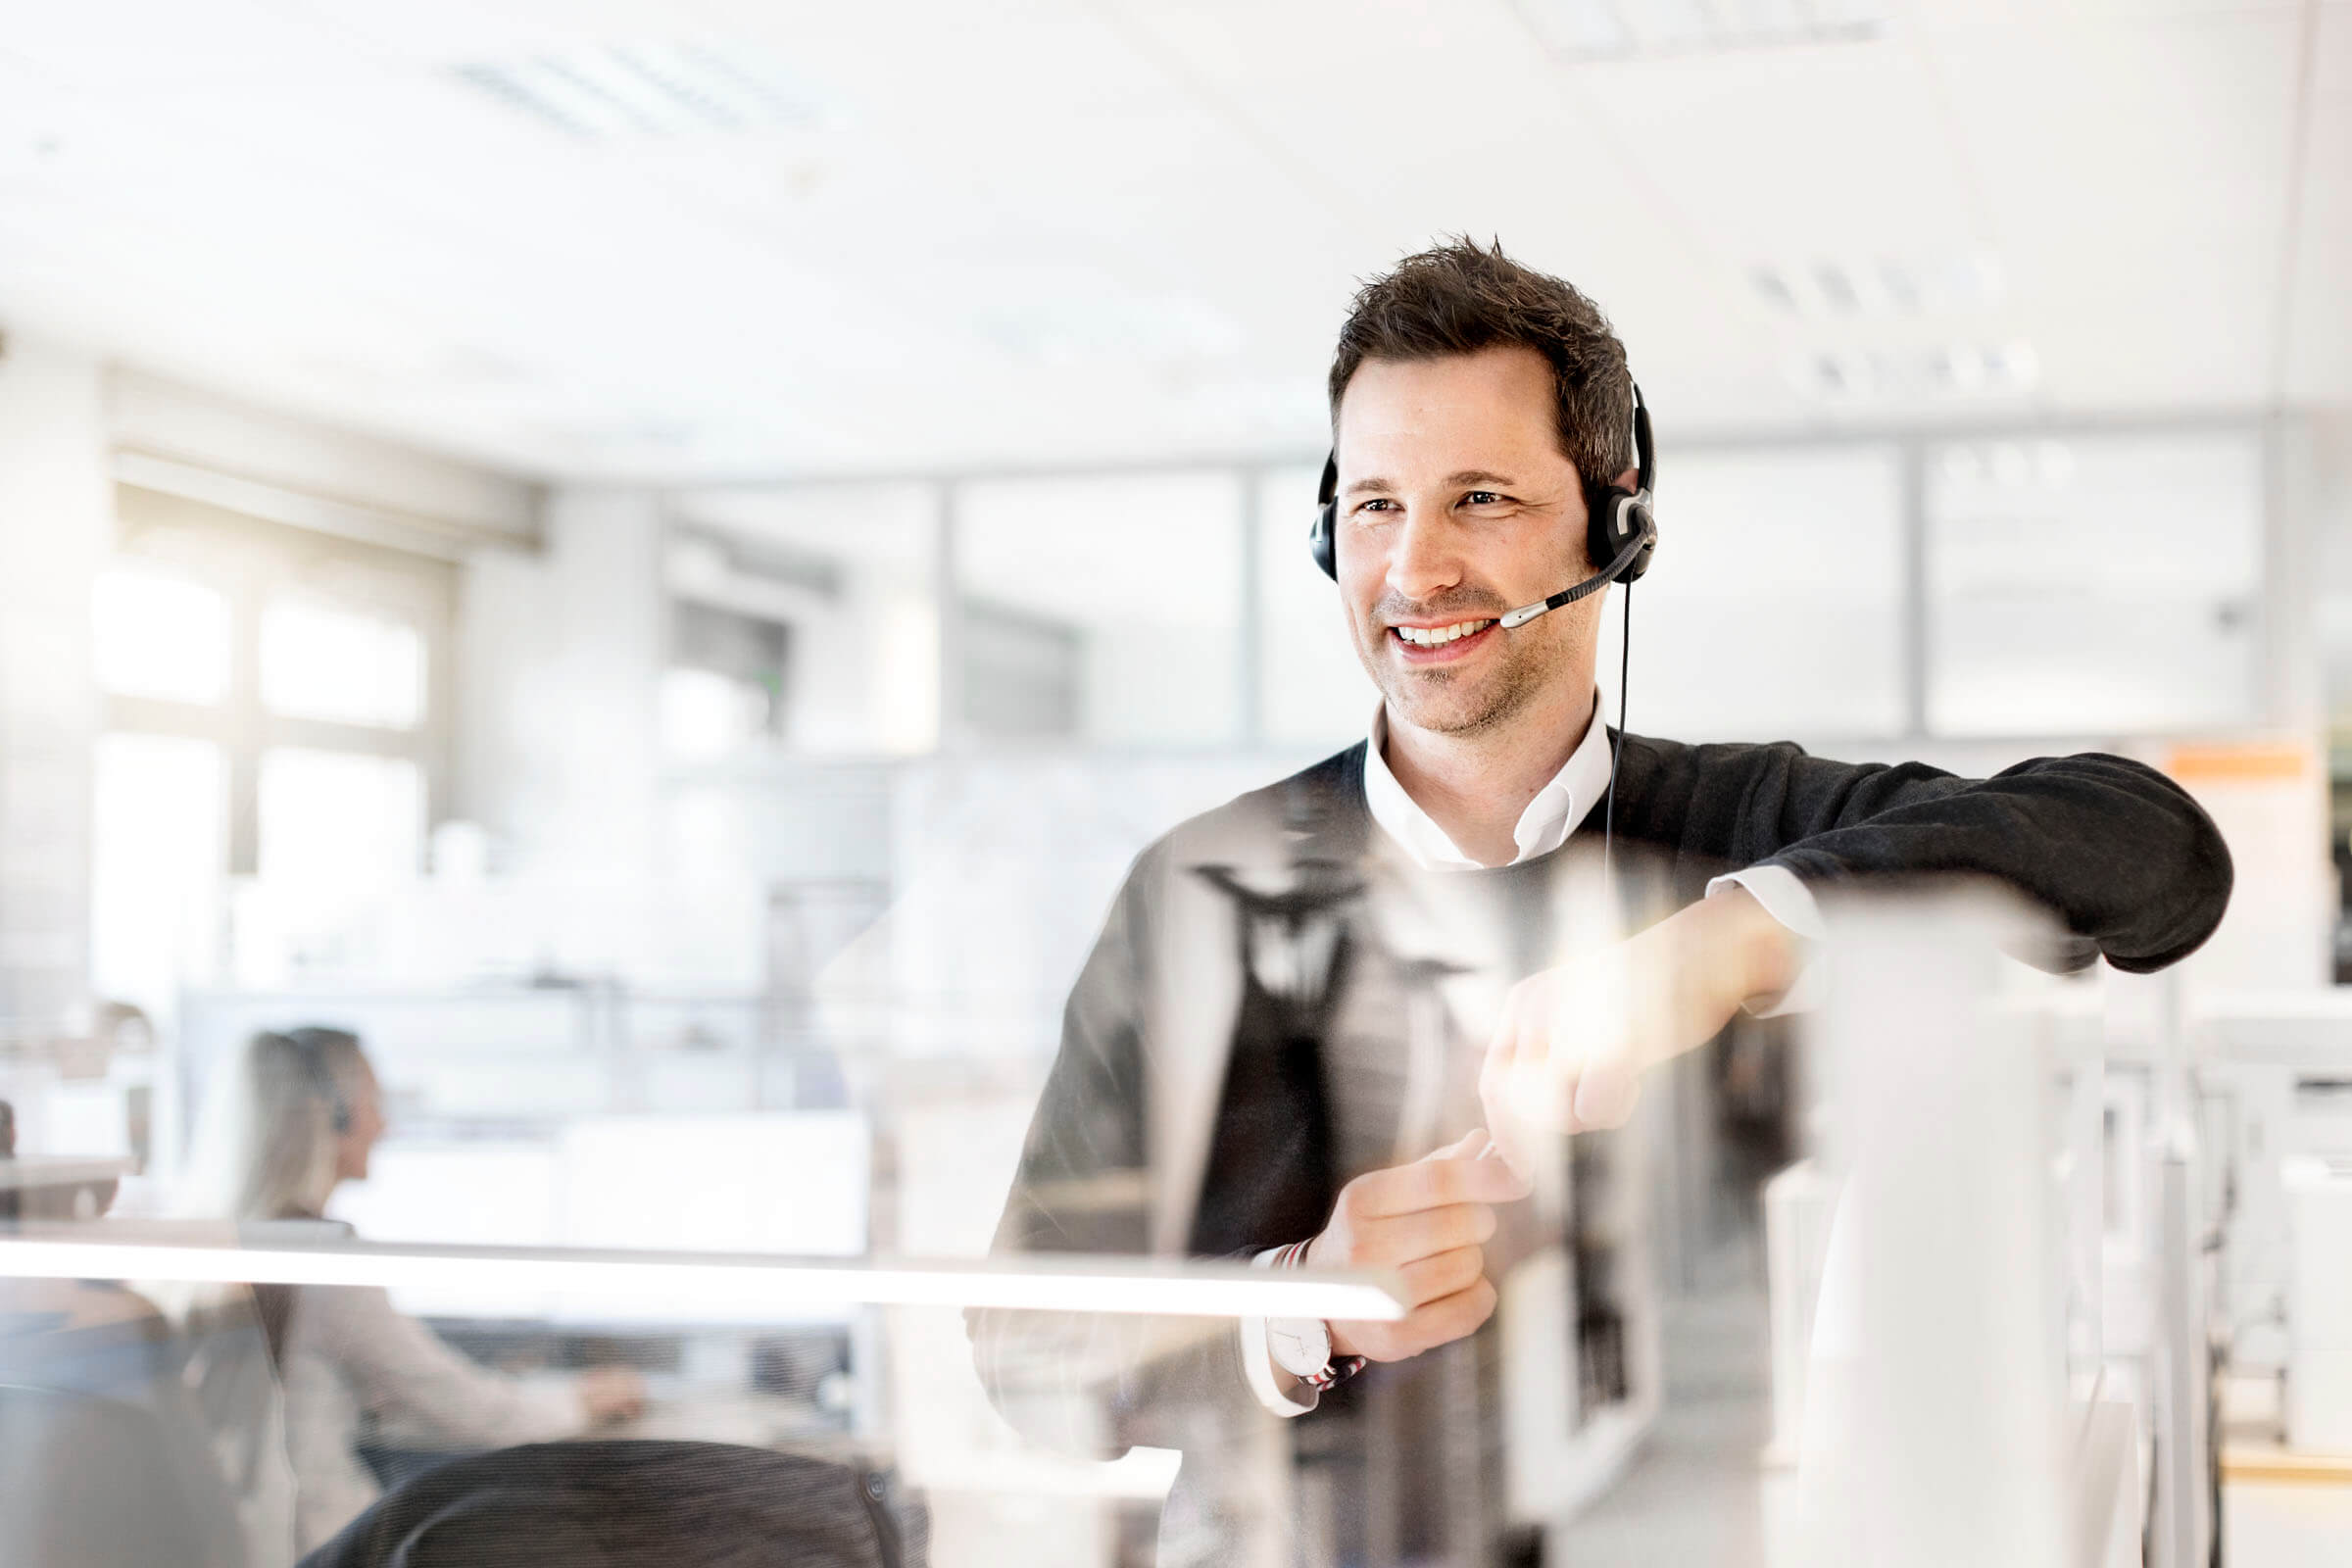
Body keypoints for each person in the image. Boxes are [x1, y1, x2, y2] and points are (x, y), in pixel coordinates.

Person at [970, 238, 2234, 1565]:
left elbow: (2156, 850)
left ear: (1613, 521)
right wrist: (1305, 1310)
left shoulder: (1750, 830)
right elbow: (1021, 1347)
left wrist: (1733, 940)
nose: (1416, 569)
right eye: (1376, 504)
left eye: (1481, 500)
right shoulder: (1199, 890)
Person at [214, 1027, 646, 1552]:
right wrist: (580, 1400)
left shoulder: (241, 1233)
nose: (383, 1125)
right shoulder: (322, 1258)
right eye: (372, 1102)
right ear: (332, 1117)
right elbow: (461, 1408)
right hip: (323, 1544)